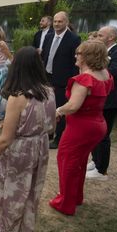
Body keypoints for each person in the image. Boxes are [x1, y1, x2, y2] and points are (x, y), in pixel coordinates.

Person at [0, 47, 56, 232]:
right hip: (40, 149)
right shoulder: (49, 91)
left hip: (19, 153)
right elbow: (52, 127)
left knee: (5, 196)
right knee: (29, 196)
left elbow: (5, 139)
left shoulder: (18, 97)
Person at [50, 40, 113, 216]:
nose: (76, 56)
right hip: (97, 124)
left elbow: (73, 106)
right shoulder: (105, 74)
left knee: (67, 160)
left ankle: (65, 202)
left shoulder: (85, 79)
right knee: (79, 161)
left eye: (79, 53)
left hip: (81, 126)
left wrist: (58, 110)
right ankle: (75, 196)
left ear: (88, 56)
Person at [86, 26, 117, 180]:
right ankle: (96, 160)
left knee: (103, 134)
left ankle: (102, 170)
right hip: (102, 99)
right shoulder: (104, 52)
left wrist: (101, 64)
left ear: (110, 38)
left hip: (111, 100)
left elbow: (116, 72)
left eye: (100, 35)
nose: (97, 37)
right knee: (95, 132)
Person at [42, 11, 81, 148]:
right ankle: (48, 133)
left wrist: (71, 83)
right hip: (47, 77)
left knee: (59, 109)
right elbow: (44, 57)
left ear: (66, 22)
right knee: (47, 107)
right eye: (55, 21)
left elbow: (75, 63)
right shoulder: (48, 36)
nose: (57, 24)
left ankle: (59, 138)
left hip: (63, 81)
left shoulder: (74, 39)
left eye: (60, 21)